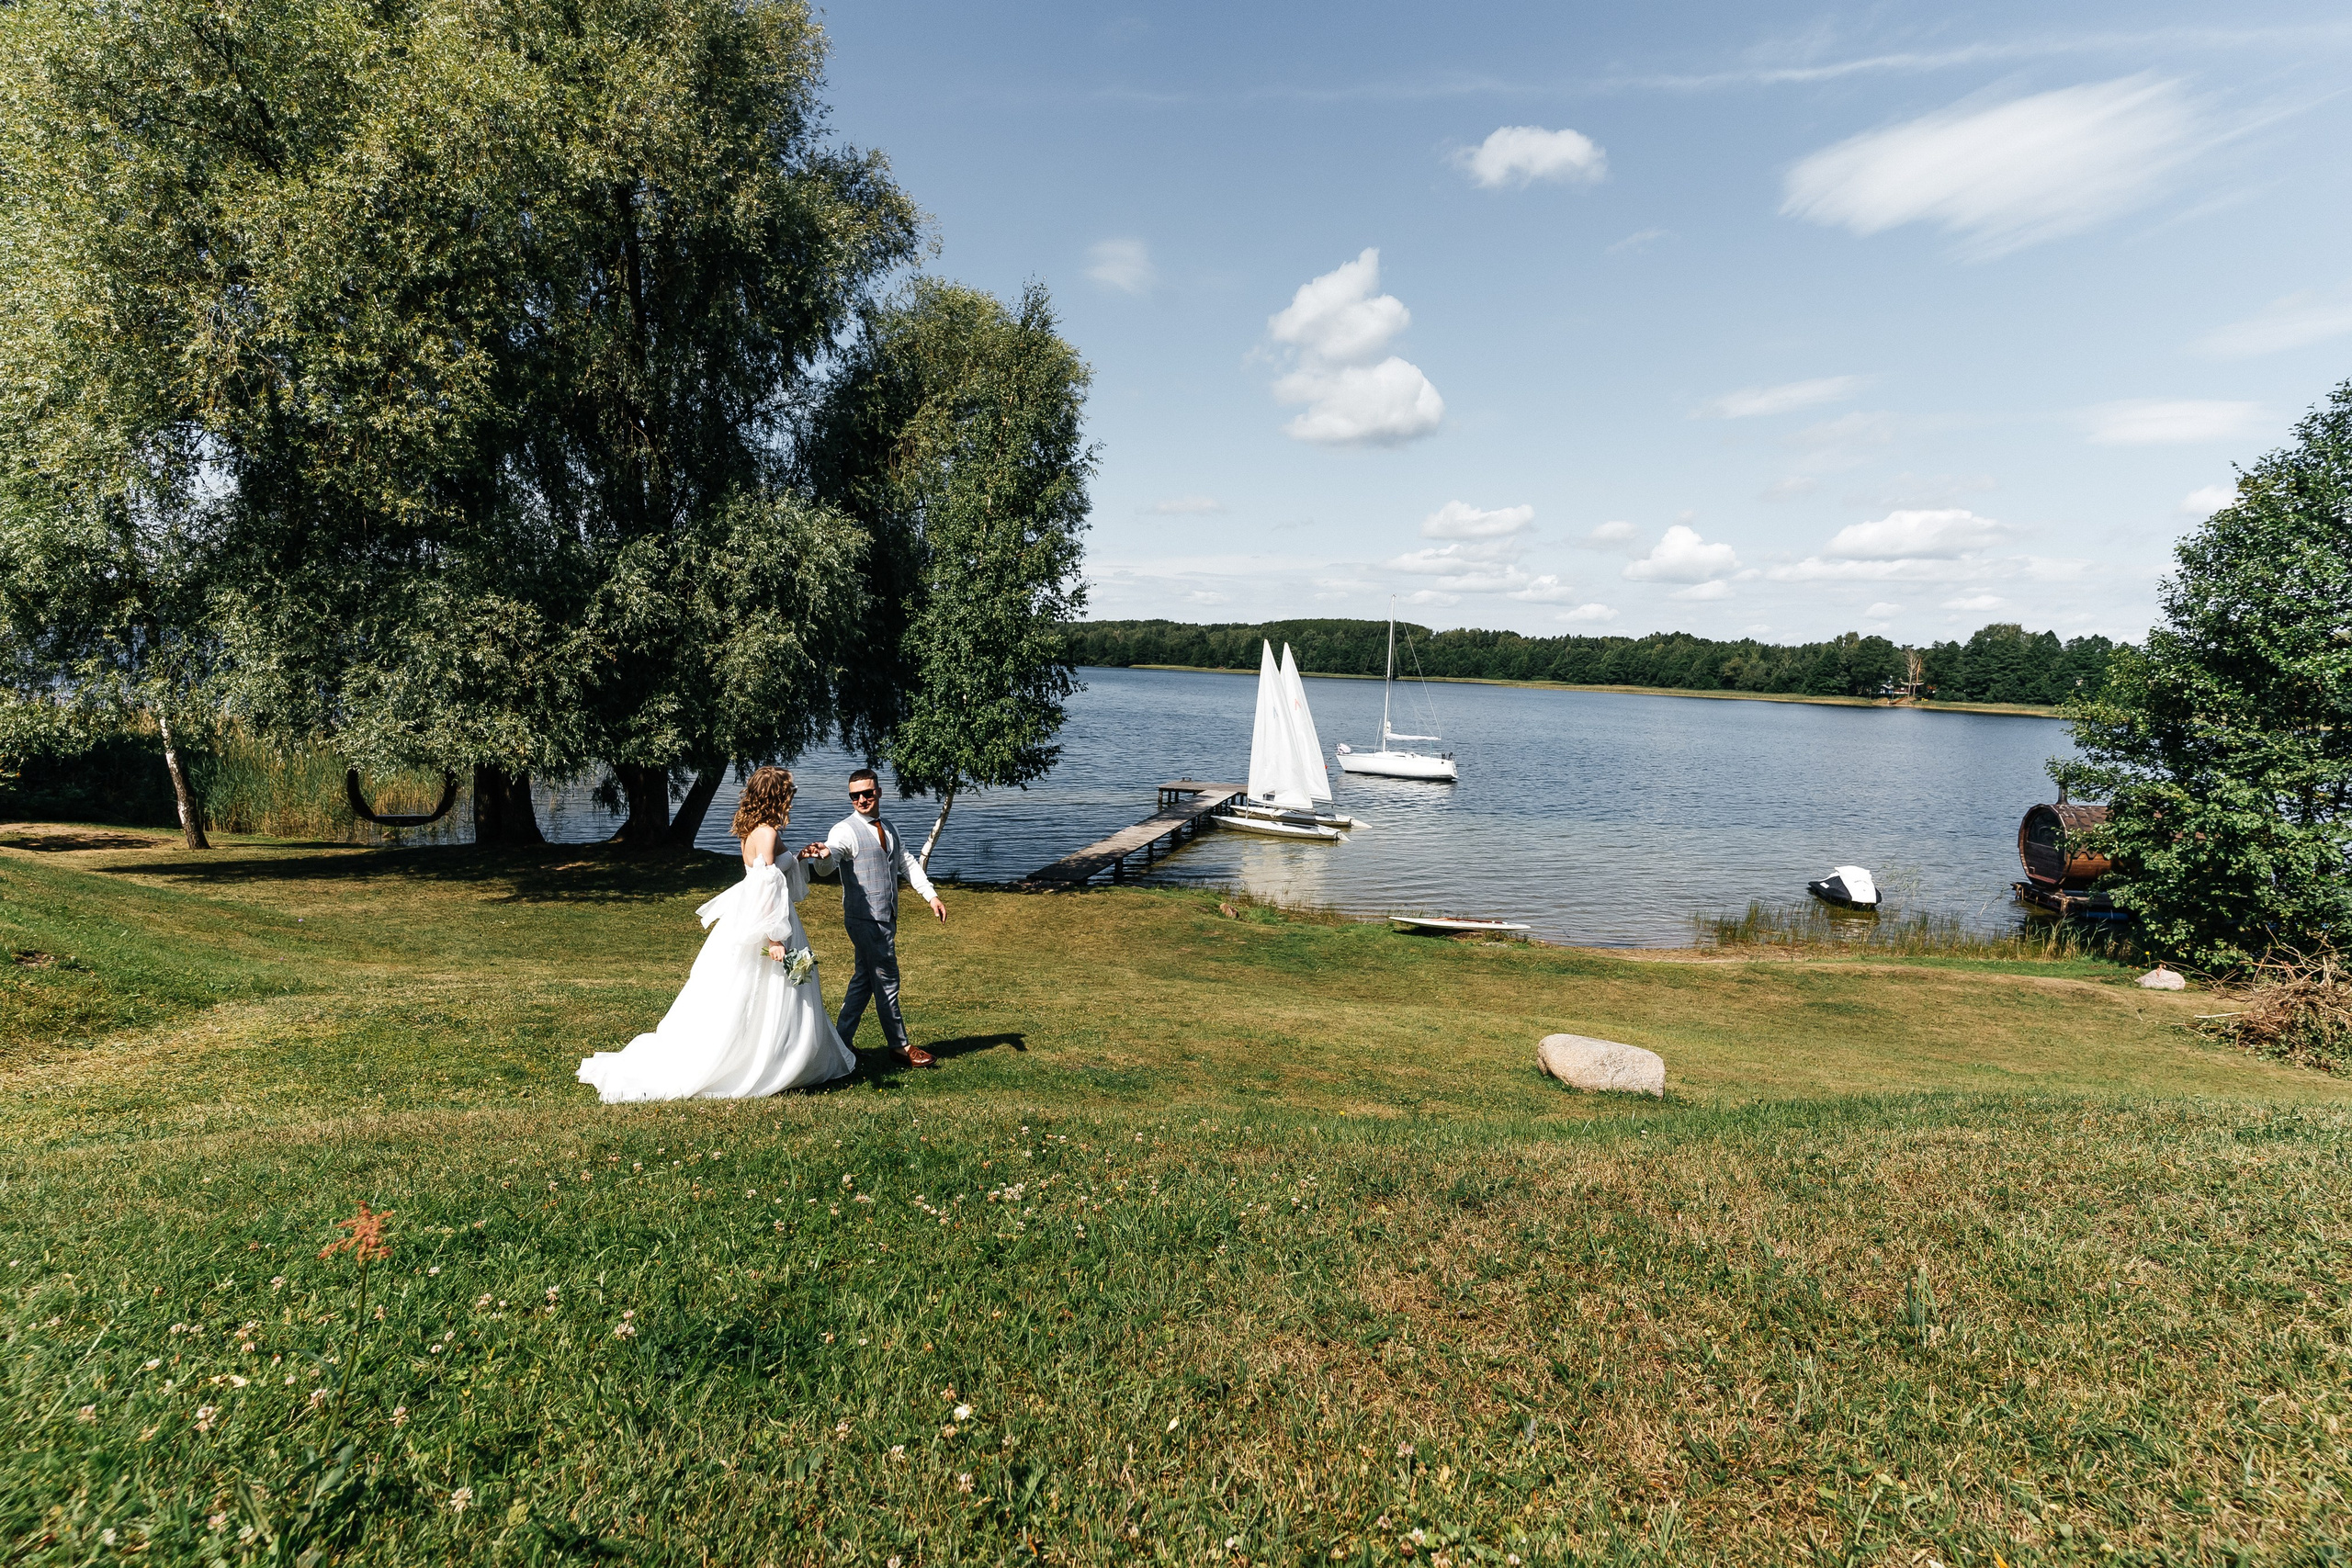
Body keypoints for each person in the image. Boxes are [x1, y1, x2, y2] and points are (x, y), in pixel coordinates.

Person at [576, 766, 854, 1101]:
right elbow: (767, 885)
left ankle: (779, 1053)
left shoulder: (753, 829)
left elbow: (769, 875)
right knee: (766, 989)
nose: (792, 801)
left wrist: (798, 857)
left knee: (754, 990)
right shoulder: (765, 832)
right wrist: (775, 939)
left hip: (751, 917)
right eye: (789, 794)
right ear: (777, 796)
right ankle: (767, 1061)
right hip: (768, 923)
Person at [804, 767, 945, 1067]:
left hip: (886, 917)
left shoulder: (889, 827)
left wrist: (930, 895)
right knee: (887, 979)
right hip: (864, 920)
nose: (862, 800)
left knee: (864, 980)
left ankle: (840, 1045)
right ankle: (899, 1046)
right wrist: (824, 856)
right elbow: (832, 856)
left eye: (867, 793)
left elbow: (907, 862)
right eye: (855, 796)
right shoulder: (844, 831)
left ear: (878, 792)